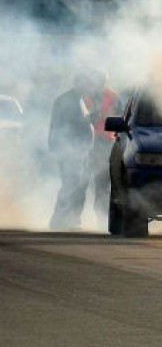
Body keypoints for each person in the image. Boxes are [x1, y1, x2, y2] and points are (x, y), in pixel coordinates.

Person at [48, 73, 95, 230]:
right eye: (87, 84)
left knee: (74, 185)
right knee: (70, 184)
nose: (90, 87)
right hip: (69, 150)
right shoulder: (67, 100)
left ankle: (68, 220)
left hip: (78, 150)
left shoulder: (78, 99)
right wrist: (89, 119)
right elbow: (66, 125)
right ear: (79, 84)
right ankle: (59, 220)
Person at [85, 69, 123, 221]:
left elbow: (121, 116)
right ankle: (96, 213)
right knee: (93, 178)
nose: (99, 83)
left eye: (102, 80)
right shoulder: (87, 96)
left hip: (108, 140)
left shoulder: (113, 96)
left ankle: (104, 215)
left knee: (105, 178)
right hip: (90, 141)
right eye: (97, 80)